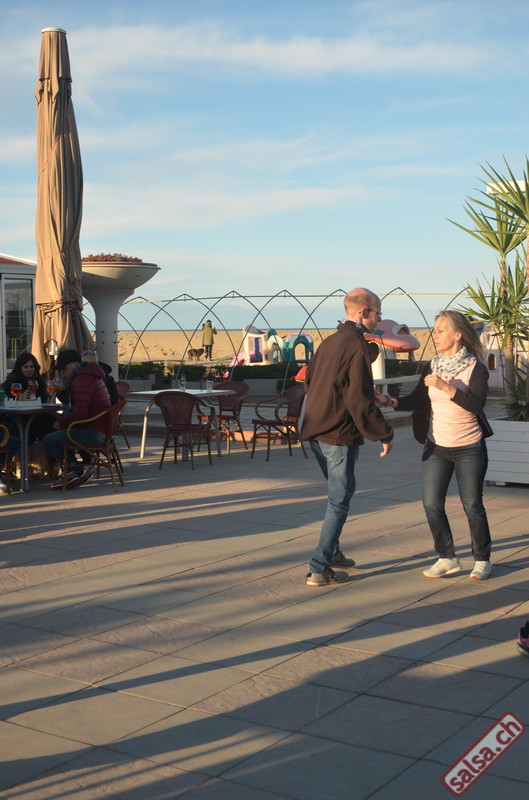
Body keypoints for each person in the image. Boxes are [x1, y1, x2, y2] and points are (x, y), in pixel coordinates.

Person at [389, 310, 493, 580]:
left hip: (469, 447)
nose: (435, 335)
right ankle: (447, 557)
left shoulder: (476, 368)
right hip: (436, 447)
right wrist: (392, 402)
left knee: (472, 505)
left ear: (457, 335)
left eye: (441, 330)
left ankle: (482, 559)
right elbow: (418, 400)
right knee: (432, 504)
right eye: (435, 330)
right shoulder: (432, 366)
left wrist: (448, 387)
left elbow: (476, 405)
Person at [301, 288, 394, 587]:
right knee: (339, 501)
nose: (379, 319)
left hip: (315, 431)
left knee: (338, 497)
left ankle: (333, 551)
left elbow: (311, 383)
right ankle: (320, 567)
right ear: (363, 312)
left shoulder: (328, 342)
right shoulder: (356, 346)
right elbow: (358, 399)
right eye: (377, 313)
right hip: (337, 435)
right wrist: (384, 433)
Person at [42, 349, 111, 489]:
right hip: (101, 430)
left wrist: (60, 423)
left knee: (49, 440)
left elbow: (80, 414)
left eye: (64, 369)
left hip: (93, 432)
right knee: (58, 434)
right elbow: (79, 404)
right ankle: (73, 470)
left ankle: (74, 471)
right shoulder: (89, 376)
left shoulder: (81, 380)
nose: (62, 373)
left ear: (74, 364)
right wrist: (61, 393)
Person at [2, 351, 56, 442]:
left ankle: (44, 445)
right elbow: (9, 399)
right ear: (20, 368)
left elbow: (42, 398)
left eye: (32, 367)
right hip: (16, 416)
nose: (29, 369)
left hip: (35, 414)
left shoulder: (38, 380)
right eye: (26, 367)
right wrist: (23, 397)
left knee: (50, 419)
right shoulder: (12, 380)